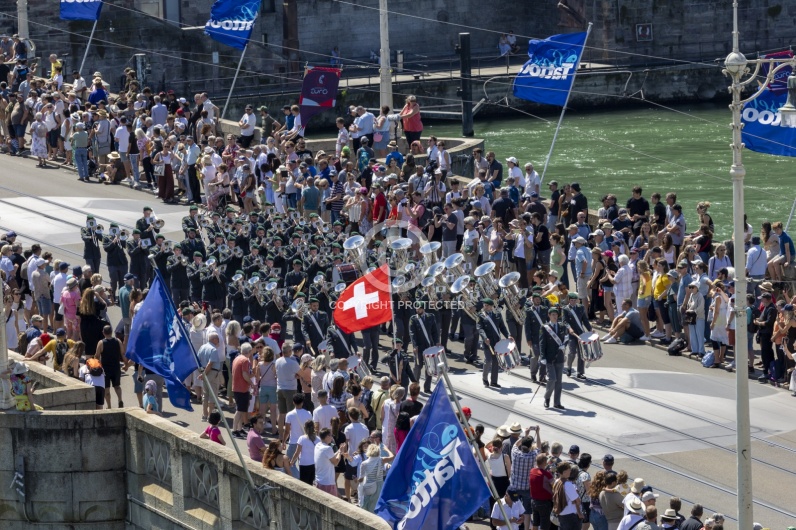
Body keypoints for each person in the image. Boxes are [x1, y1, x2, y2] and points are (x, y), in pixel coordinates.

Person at [541, 307, 568, 409]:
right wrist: (543, 357)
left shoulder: (562, 326)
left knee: (559, 382)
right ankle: (547, 398)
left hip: (559, 357)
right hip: (549, 358)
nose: (555, 316)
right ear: (549, 315)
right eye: (552, 315)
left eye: (556, 315)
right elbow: (542, 343)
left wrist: (564, 345)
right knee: (552, 379)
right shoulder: (545, 327)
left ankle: (557, 403)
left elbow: (566, 338)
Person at [283, 393, 312, 477]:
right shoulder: (308, 414)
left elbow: (287, 431)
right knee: (303, 463)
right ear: (302, 402)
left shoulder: (289, 415)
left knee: (289, 463)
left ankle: (298, 478)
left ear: (293, 402)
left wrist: (283, 441)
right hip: (306, 442)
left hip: (293, 442)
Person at [315, 428, 346, 497]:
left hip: (319, 482)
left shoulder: (318, 445)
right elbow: (336, 462)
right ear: (327, 437)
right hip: (328, 483)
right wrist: (340, 452)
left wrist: (338, 451)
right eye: (331, 436)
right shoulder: (327, 448)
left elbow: (329, 457)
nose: (332, 438)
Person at [553, 463, 583, 530]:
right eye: (569, 470)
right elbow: (577, 500)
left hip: (561, 514)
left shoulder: (557, 481)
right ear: (564, 472)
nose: (570, 472)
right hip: (570, 515)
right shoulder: (568, 484)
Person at [289, 419, 319, 485]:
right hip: (314, 464)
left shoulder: (302, 438)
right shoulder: (318, 439)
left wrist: (292, 462)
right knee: (311, 483)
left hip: (304, 464)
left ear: (305, 428)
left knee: (304, 484)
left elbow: (297, 452)